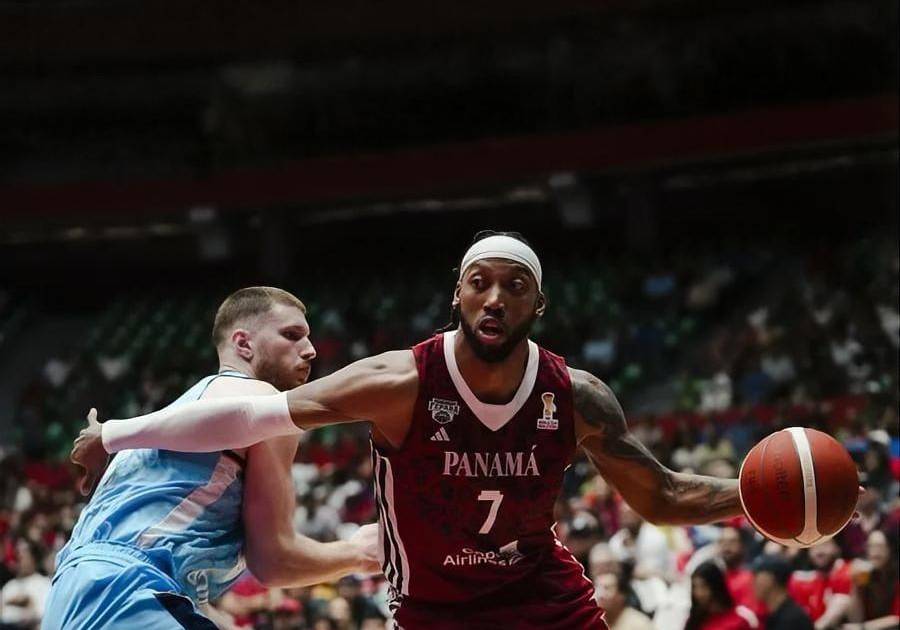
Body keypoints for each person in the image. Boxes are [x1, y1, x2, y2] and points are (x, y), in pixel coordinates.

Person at [72, 231, 744, 628]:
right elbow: (251, 414)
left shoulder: (575, 397)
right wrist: (114, 434)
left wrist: (759, 496)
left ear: (537, 304)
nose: (495, 297)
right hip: (434, 611)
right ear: (458, 294)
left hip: (543, 599)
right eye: (480, 282)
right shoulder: (399, 381)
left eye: (515, 286)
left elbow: (661, 496)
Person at [45, 287, 378, 629]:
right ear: (243, 343)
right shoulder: (262, 399)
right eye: (292, 335)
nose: (310, 350)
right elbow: (274, 560)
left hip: (68, 597)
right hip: (130, 589)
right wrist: (361, 553)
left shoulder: (179, 410)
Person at [788, 539, 852, 629]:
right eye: (813, 547)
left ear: (837, 548)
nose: (819, 551)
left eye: (824, 544)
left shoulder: (849, 571)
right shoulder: (811, 580)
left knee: (841, 600)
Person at [845, 529, 899, 629]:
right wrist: (856, 587)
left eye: (880, 546)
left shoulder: (896, 575)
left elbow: (896, 618)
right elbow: (855, 619)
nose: (876, 551)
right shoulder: (865, 574)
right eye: (871, 546)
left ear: (889, 549)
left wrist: (862, 627)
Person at [686, 561, 758, 630]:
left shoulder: (741, 619)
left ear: (716, 586)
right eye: (695, 587)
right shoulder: (695, 620)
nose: (699, 593)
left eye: (704, 586)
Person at [752, 555, 813, 630]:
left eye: (756, 575)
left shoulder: (793, 620)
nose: (752, 582)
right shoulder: (774, 616)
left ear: (770, 579)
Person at [0, 540, 51, 629]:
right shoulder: (10, 586)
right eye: (18, 556)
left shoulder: (44, 584)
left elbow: (44, 614)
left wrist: (29, 602)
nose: (20, 559)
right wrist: (12, 601)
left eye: (24, 556)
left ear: (33, 559)